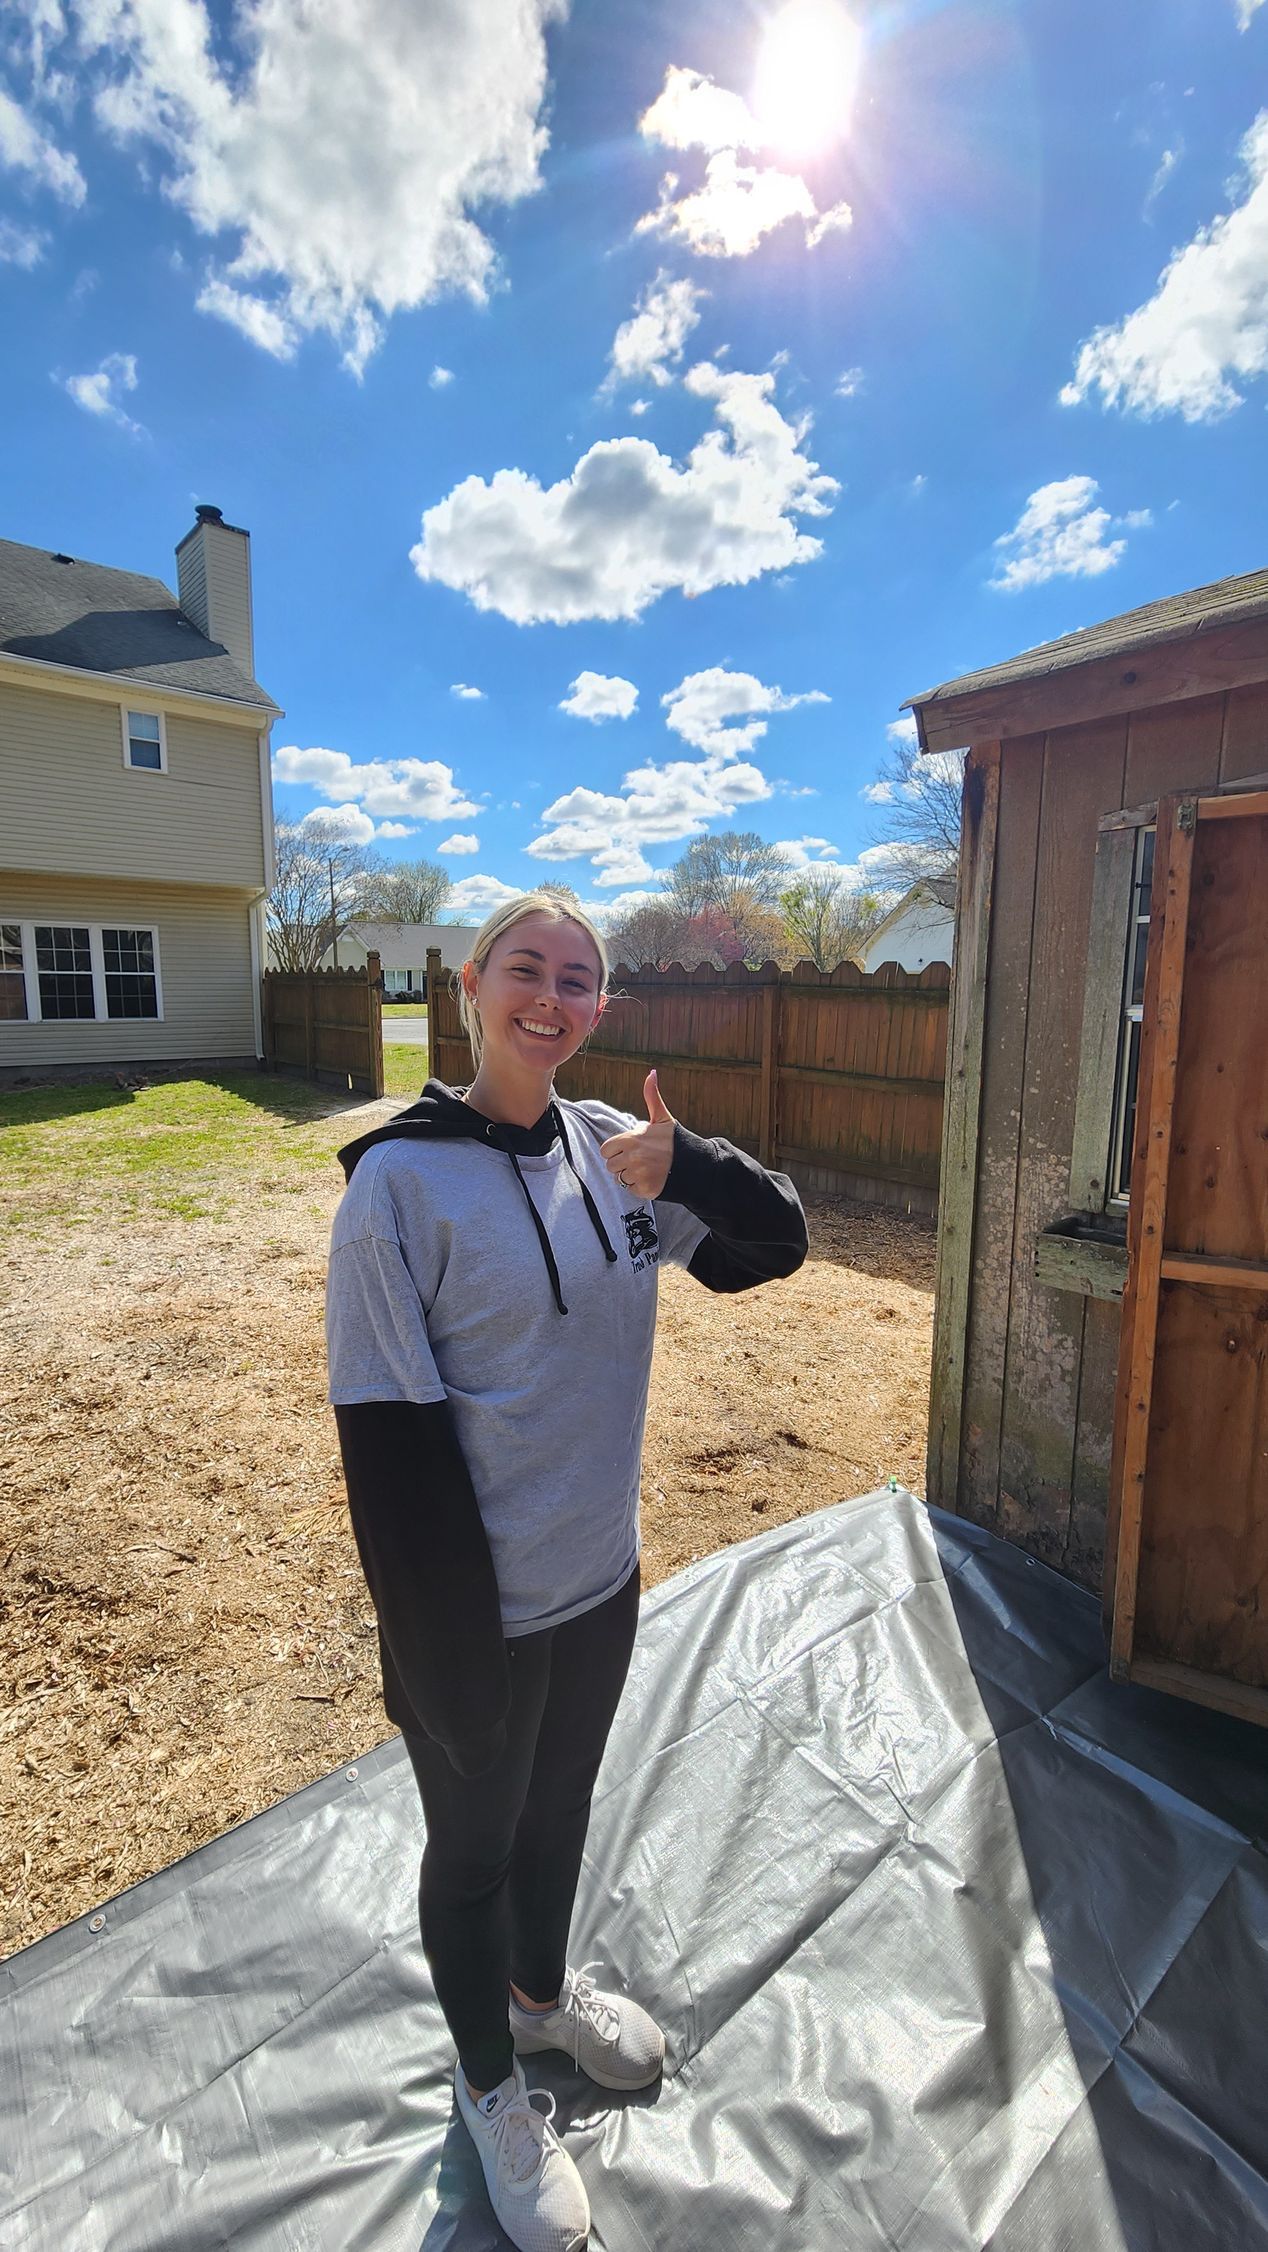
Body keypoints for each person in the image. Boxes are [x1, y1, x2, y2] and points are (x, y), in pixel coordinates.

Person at [326, 891, 807, 2251]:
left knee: (562, 1815)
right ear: (473, 986)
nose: (551, 999)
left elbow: (778, 1243)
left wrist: (693, 1168)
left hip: (603, 1582)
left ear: (602, 1007)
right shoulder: (398, 1187)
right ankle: (492, 2091)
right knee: (472, 1851)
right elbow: (388, 1449)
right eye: (525, 971)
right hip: (474, 1618)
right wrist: (444, 1658)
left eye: (579, 980)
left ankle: (540, 1997)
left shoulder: (620, 1158)